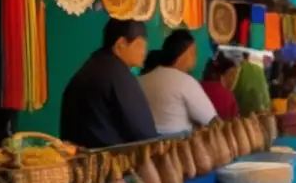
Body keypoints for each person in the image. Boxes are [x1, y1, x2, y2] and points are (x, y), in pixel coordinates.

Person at [60, 19, 158, 148]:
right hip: (107, 161)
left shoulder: (92, 66)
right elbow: (144, 131)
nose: (144, 52)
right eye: (140, 45)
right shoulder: (118, 74)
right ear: (121, 44)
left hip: (78, 157)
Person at [138, 29, 216, 135]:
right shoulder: (186, 82)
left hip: (145, 143)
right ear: (185, 53)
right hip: (176, 145)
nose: (195, 58)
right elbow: (210, 119)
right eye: (194, 53)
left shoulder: (142, 80)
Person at [200, 52, 240, 120]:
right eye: (232, 76)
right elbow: (235, 123)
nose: (234, 80)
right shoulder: (228, 98)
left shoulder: (195, 87)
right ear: (224, 75)